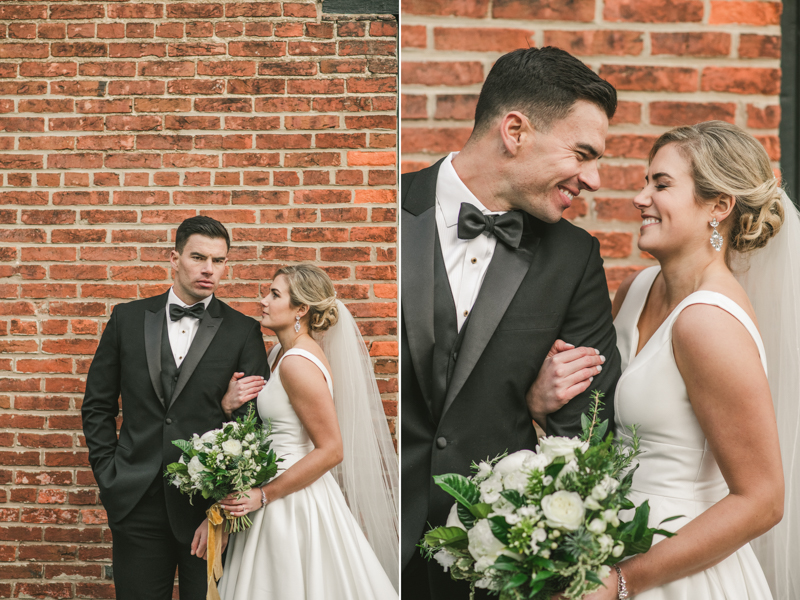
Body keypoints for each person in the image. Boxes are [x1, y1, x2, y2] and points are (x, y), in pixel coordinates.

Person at [401, 46, 622, 599]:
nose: (593, 180)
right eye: (582, 154)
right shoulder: (384, 207)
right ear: (516, 131)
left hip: (491, 569)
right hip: (365, 546)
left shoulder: (574, 260)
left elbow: (585, 432)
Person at [573, 121, 795, 599]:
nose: (639, 197)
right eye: (644, 181)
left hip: (678, 572)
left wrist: (626, 581)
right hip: (605, 552)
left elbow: (763, 500)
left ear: (719, 206)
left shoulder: (708, 323)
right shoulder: (634, 292)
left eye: (661, 184)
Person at [81, 216, 268, 600]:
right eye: (199, 257)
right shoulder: (127, 319)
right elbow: (97, 405)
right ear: (174, 258)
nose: (208, 269)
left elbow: (256, 423)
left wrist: (221, 507)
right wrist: (108, 473)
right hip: (135, 499)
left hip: (208, 510)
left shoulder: (243, 330)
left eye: (219, 261)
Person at [215, 264, 399, 599]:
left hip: (289, 500)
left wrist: (265, 494)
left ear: (301, 309)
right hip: (270, 490)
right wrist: (229, 405)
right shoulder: (277, 354)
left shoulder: (297, 363)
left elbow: (331, 449)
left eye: (274, 294)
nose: (263, 301)